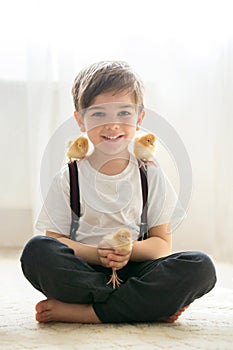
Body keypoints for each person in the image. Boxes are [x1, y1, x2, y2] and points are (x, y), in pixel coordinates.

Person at [20, 60, 216, 324]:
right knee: (37, 251)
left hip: (136, 270)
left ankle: (89, 313)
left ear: (139, 117)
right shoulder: (70, 176)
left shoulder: (151, 175)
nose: (112, 125)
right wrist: (96, 254)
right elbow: (56, 240)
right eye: (99, 114)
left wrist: (128, 251)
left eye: (124, 113)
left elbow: (161, 245)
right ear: (80, 119)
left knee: (200, 267)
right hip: (85, 271)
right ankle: (143, 306)